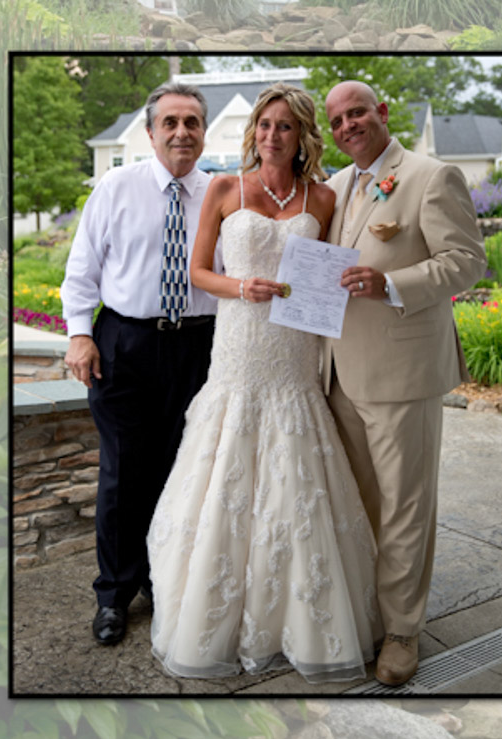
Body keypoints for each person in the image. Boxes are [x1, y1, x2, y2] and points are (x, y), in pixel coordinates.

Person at [146, 83, 382, 682]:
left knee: (296, 471)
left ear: (304, 135)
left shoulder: (324, 198)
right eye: (264, 125)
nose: (272, 136)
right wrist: (241, 286)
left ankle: (298, 617)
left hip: (293, 350)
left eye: (285, 126)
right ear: (253, 131)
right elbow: (199, 271)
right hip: (240, 344)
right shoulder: (227, 189)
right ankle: (213, 611)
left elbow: (327, 275)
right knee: (226, 463)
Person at [322, 81, 487, 686]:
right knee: (359, 504)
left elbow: (466, 260)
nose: (348, 126)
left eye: (357, 112)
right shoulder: (336, 187)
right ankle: (368, 613)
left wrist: (390, 284)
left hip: (403, 370)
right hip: (336, 372)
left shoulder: (430, 175)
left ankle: (402, 633)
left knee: (405, 508)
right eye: (338, 120)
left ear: (382, 113)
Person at [62, 82, 219, 646]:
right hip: (124, 345)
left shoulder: (222, 193)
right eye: (171, 122)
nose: (182, 132)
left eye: (193, 122)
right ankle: (114, 594)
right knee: (123, 474)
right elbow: (82, 268)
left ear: (204, 132)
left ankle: (164, 580)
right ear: (151, 132)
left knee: (186, 470)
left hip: (200, 348)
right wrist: (80, 334)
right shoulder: (117, 186)